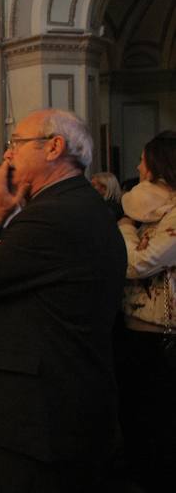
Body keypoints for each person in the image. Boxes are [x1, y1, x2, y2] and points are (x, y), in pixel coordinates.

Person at [0, 109, 126, 493]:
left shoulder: (52, 216)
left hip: (39, 415)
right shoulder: (73, 206)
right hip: (60, 402)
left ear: (54, 147)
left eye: (16, 144)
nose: (7, 155)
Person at [116, 131, 176, 493]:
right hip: (132, 328)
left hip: (164, 337)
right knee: (135, 413)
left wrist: (123, 230)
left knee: (162, 419)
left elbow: (139, 263)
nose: (137, 167)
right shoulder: (138, 209)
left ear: (157, 166)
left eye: (142, 160)